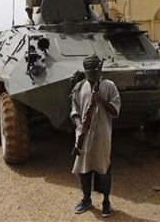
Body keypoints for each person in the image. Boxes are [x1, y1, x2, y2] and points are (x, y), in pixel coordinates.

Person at [70, 55, 121, 217]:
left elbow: (115, 111)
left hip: (102, 135)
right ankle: (86, 199)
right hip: (83, 135)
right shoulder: (79, 87)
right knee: (84, 169)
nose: (91, 72)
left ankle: (106, 202)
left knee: (103, 168)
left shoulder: (109, 86)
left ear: (99, 69)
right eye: (88, 69)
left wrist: (101, 101)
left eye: (94, 68)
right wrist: (80, 127)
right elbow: (74, 112)